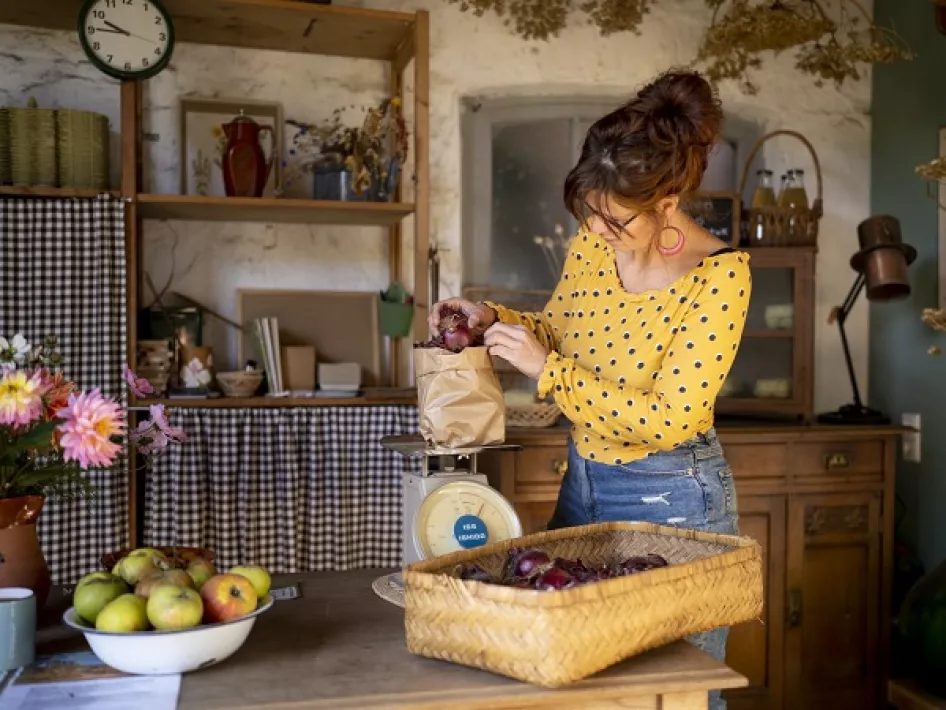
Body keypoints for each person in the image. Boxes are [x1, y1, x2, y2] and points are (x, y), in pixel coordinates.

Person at [430, 68, 750, 710]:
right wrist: (497, 319)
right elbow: (560, 329)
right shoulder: (594, 243)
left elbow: (672, 419)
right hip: (585, 483)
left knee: (670, 692)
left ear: (667, 201)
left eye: (614, 221)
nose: (598, 231)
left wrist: (547, 373)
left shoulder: (720, 277)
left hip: (675, 501)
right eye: (589, 216)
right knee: (567, 677)